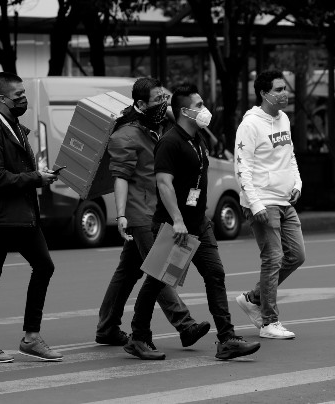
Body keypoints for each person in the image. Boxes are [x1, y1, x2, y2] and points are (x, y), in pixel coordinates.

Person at [125, 83, 261, 360]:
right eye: (199, 105)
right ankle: (138, 338)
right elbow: (163, 183)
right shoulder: (170, 142)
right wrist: (177, 220)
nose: (204, 109)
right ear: (184, 111)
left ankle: (227, 339)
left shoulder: (197, 138)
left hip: (199, 224)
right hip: (177, 228)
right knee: (156, 282)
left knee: (215, 275)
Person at [95, 77, 210, 348]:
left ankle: (107, 327)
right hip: (140, 213)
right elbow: (120, 177)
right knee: (160, 270)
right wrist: (121, 215)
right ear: (140, 104)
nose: (163, 105)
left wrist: (171, 110)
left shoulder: (157, 127)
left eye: (165, 100)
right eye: (158, 100)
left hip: (155, 209)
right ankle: (185, 324)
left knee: (127, 272)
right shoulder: (125, 135)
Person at [0, 72, 63, 363]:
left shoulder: (16, 128)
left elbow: (17, 170)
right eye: (18, 95)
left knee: (44, 266)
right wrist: (35, 178)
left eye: (24, 93)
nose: (24, 99)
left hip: (21, 215)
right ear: (1, 99)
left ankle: (31, 338)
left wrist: (39, 175)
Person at [233, 70, 306, 339]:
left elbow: (290, 156)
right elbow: (242, 168)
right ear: (264, 94)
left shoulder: (284, 118)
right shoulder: (250, 125)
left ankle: (252, 298)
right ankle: (268, 322)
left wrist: (297, 184)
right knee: (273, 259)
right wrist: (255, 204)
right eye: (277, 89)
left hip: (285, 200)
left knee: (296, 256)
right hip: (263, 203)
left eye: (285, 88)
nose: (284, 93)